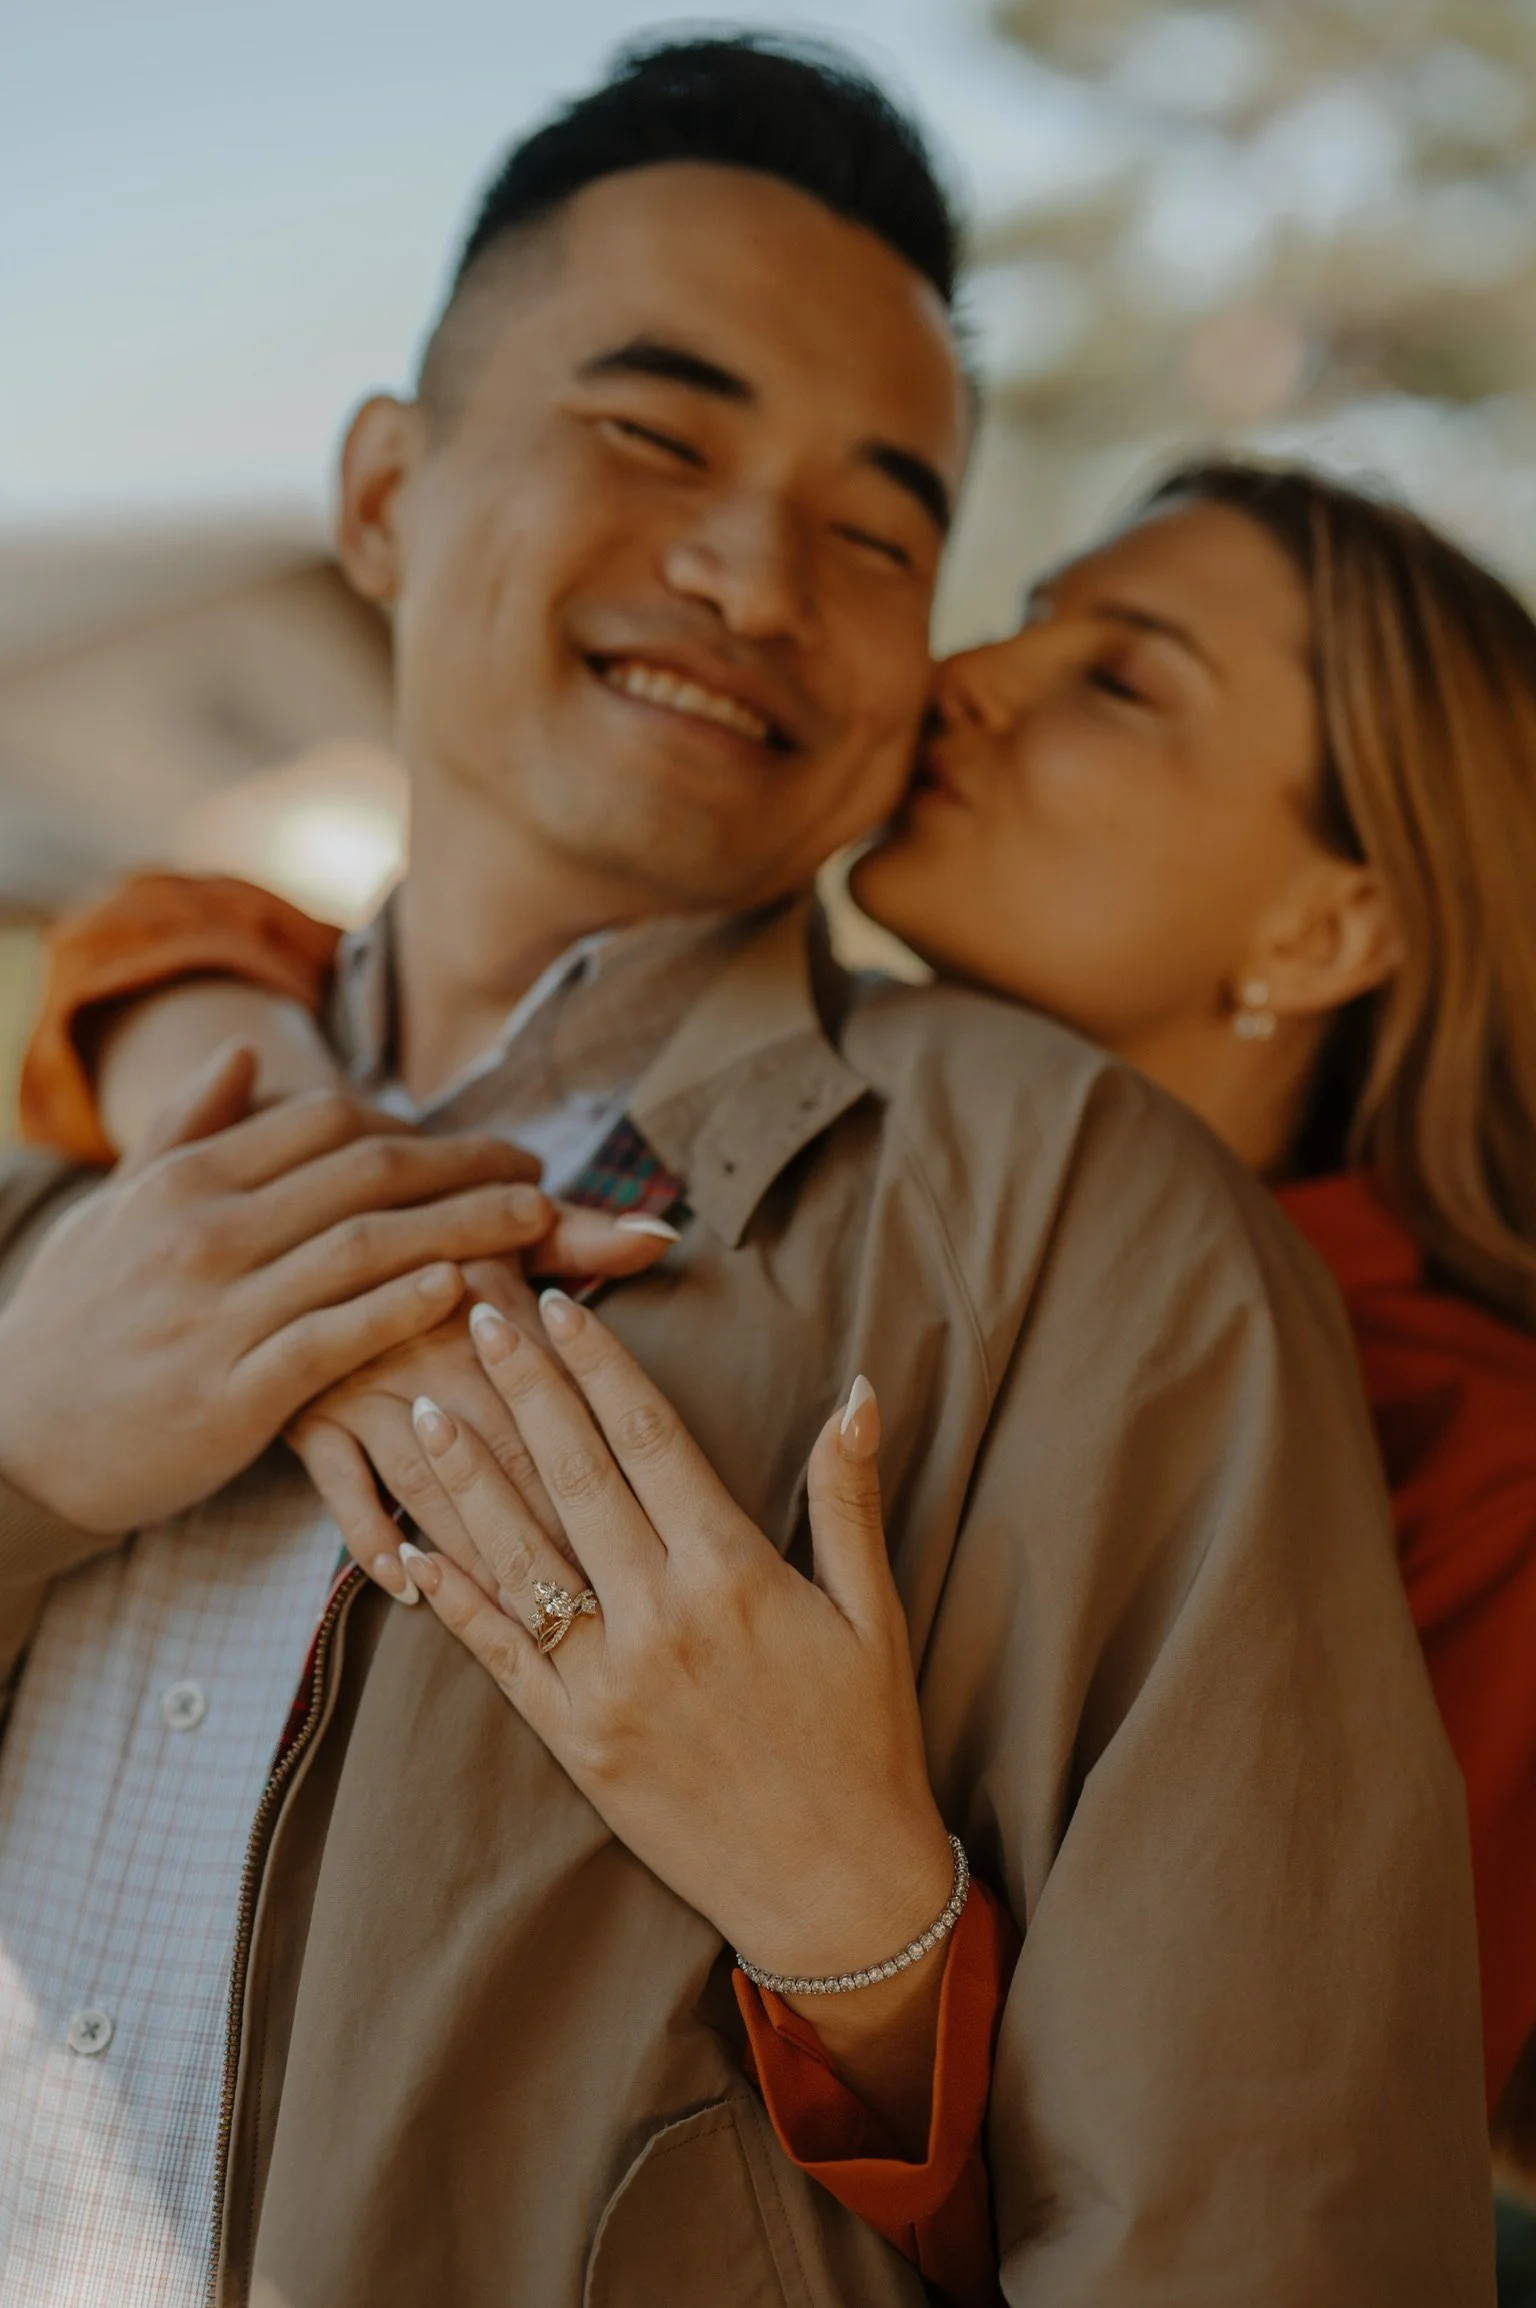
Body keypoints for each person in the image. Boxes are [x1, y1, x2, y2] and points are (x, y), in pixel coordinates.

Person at [0, 34, 1494, 2308]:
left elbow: (1265, 2214)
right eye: (654, 433)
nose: (756, 574)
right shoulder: (79, 1196)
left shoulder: (1108, 1251)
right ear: (385, 494)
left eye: (881, 533)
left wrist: (872, 1940)